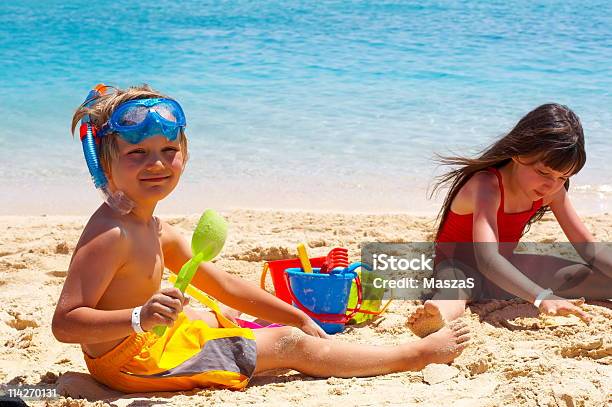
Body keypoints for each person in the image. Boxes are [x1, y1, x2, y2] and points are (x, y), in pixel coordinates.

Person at [52, 84, 470, 393]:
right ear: (105, 167)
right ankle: (416, 355)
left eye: (168, 151)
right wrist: (138, 317)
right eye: (137, 153)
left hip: (140, 346)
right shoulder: (111, 233)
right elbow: (65, 323)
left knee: (214, 313)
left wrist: (295, 313)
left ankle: (96, 385)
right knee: (292, 347)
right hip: (138, 361)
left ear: (186, 154)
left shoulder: (154, 228)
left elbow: (224, 284)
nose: (157, 164)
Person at [407, 103, 612, 338]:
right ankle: (435, 317)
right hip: (459, 267)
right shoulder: (486, 185)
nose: (552, 184)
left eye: (563, 177)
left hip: (507, 271)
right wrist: (541, 297)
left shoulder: (552, 190)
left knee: (595, 278)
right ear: (517, 153)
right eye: (544, 173)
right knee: (456, 291)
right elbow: (487, 259)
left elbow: (588, 247)